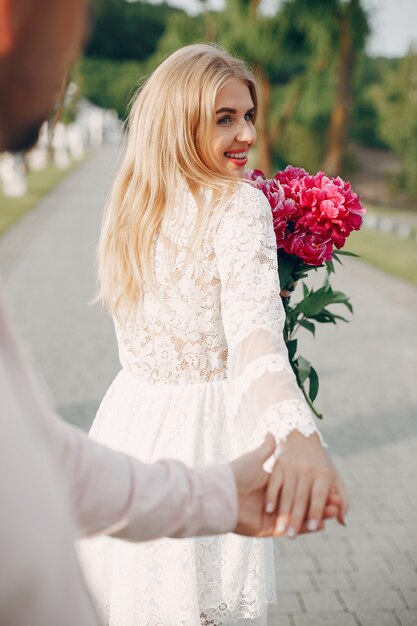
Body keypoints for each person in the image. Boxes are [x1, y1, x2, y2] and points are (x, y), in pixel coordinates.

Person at [0, 2, 344, 625]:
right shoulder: (240, 209)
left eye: (248, 116)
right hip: (206, 438)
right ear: (179, 121)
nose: (245, 134)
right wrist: (296, 431)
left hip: (128, 428)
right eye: (224, 118)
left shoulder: (131, 205)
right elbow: (254, 339)